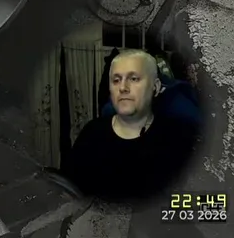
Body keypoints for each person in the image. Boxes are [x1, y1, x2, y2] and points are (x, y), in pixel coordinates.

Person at [62, 49, 199, 205]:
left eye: (133, 79)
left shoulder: (178, 138)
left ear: (155, 87)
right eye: (116, 80)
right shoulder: (91, 135)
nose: (123, 88)